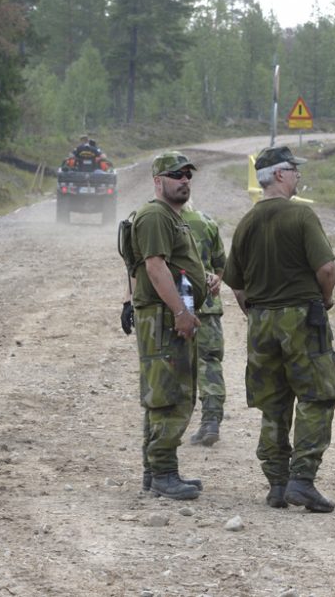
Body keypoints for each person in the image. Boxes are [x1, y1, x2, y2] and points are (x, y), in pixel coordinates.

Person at [223, 145, 335, 513]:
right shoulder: (301, 217)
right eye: (293, 169)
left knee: (273, 402)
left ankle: (277, 484)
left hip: (261, 320)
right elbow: (327, 270)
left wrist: (255, 313)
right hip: (301, 317)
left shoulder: (246, 223)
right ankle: (302, 480)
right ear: (278, 174)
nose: (297, 176)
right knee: (317, 396)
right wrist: (325, 299)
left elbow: (236, 284)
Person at [128, 151, 207, 500]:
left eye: (188, 175)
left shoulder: (169, 217)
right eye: (177, 175)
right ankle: (162, 472)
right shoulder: (156, 216)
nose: (184, 181)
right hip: (163, 319)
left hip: (165, 316)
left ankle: (156, 471)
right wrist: (180, 312)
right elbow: (154, 267)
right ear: (158, 181)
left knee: (163, 393)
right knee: (170, 395)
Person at [182, 204, 227, 447]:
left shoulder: (158, 220)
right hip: (208, 305)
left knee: (176, 363)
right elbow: (222, 264)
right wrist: (214, 277)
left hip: (174, 305)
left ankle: (172, 423)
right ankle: (211, 421)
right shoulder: (206, 221)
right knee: (209, 362)